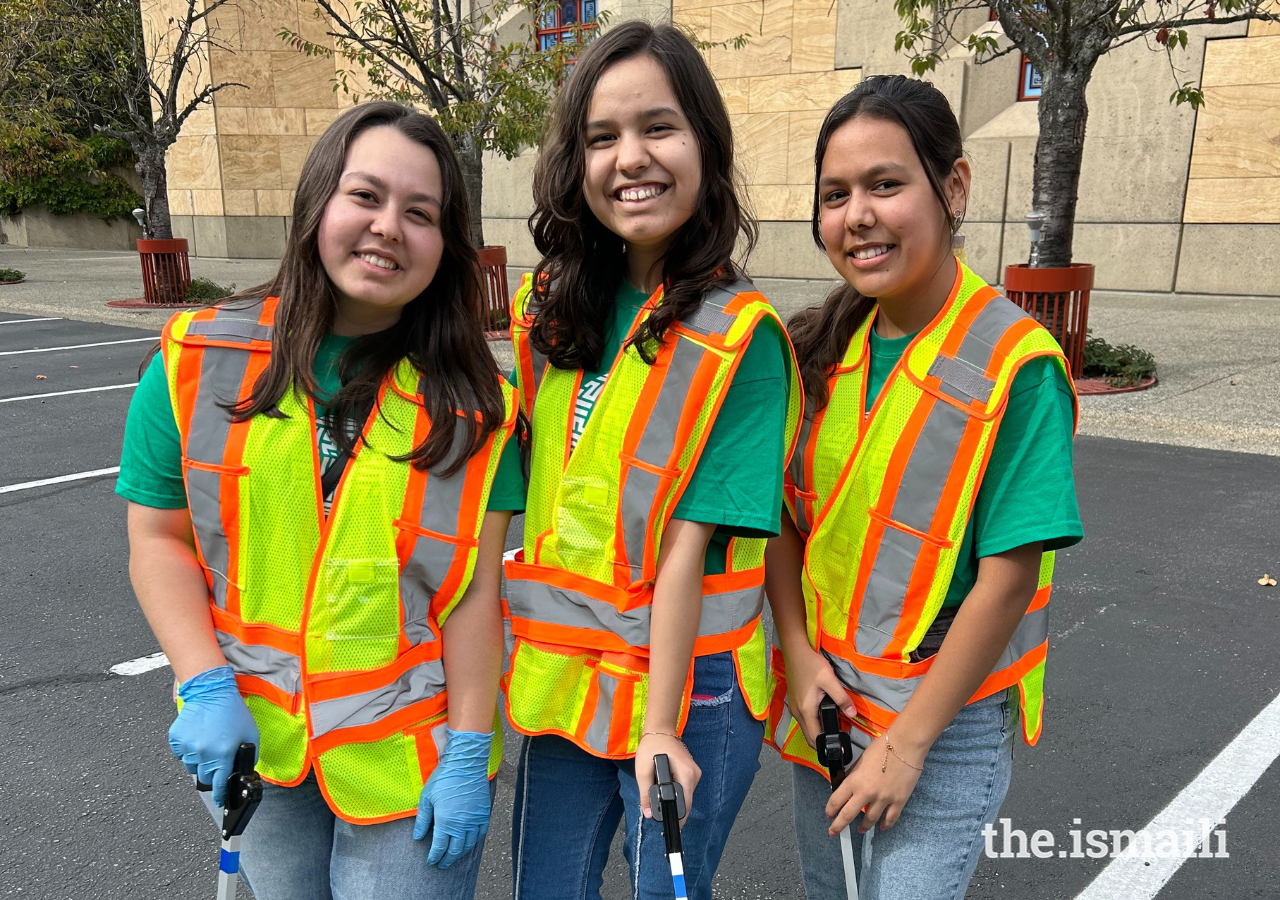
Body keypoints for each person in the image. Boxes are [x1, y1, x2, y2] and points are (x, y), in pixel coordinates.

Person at [117, 101, 523, 900]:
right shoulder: (197, 361)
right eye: (365, 196)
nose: (388, 228)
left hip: (408, 758)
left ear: (446, 247)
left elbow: (475, 591)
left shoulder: (479, 406)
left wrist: (472, 750)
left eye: (421, 212)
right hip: (253, 738)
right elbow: (159, 538)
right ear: (317, 206)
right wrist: (201, 684)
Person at [501, 21, 801, 900]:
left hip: (693, 689)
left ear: (706, 147)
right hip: (565, 670)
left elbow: (686, 549)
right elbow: (509, 496)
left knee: (666, 889)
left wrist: (660, 726)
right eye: (602, 137)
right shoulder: (546, 312)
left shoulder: (740, 338)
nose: (631, 158)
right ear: (575, 162)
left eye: (659, 128)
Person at [764, 75, 1083, 899]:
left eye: (885, 184)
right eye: (835, 195)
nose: (856, 216)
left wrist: (906, 748)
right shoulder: (821, 351)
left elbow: (1008, 581)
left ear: (954, 186)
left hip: (941, 728)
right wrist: (798, 659)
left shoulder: (1016, 365)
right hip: (829, 705)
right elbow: (786, 521)